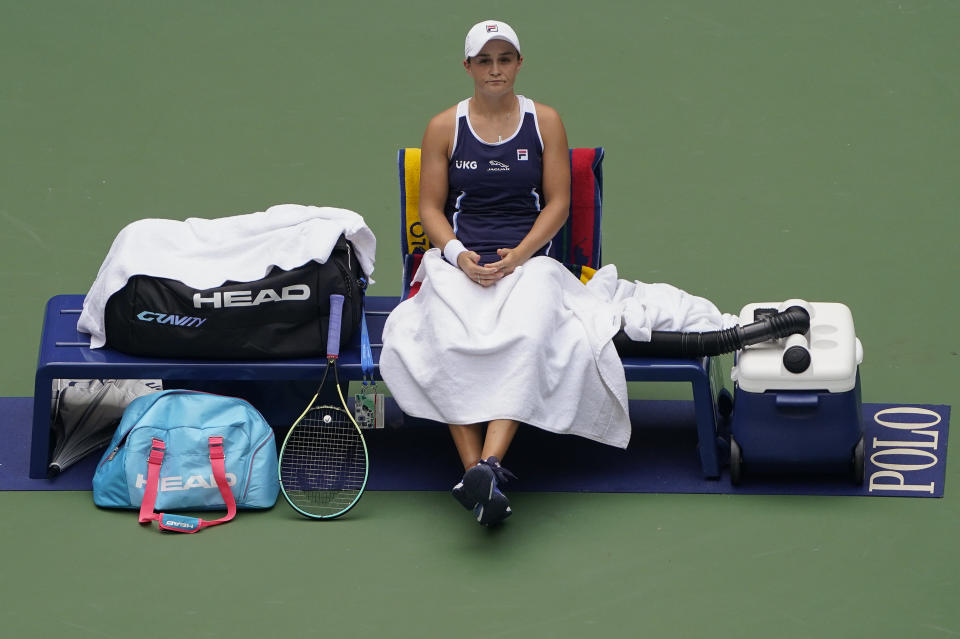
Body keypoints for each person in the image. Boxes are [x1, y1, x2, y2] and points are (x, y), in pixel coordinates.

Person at [415, 20, 572, 526]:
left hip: (529, 261)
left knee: (524, 339)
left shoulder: (545, 121)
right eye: (485, 60)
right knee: (444, 340)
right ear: (468, 67)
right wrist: (459, 255)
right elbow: (431, 210)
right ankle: (479, 476)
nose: (496, 69)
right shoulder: (444, 127)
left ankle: (485, 468)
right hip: (459, 260)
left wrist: (519, 256)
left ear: (519, 63)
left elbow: (559, 204)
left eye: (505, 59)